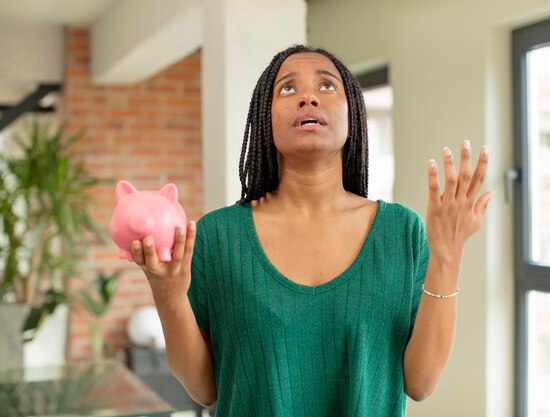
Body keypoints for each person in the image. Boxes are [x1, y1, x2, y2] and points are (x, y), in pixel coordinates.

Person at [130, 44, 492, 417]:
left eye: (327, 87)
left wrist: (448, 254)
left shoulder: (402, 232)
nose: (307, 98)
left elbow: (421, 383)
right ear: (265, 119)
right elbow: (204, 388)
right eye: (288, 88)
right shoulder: (217, 237)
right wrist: (168, 296)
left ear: (352, 115)